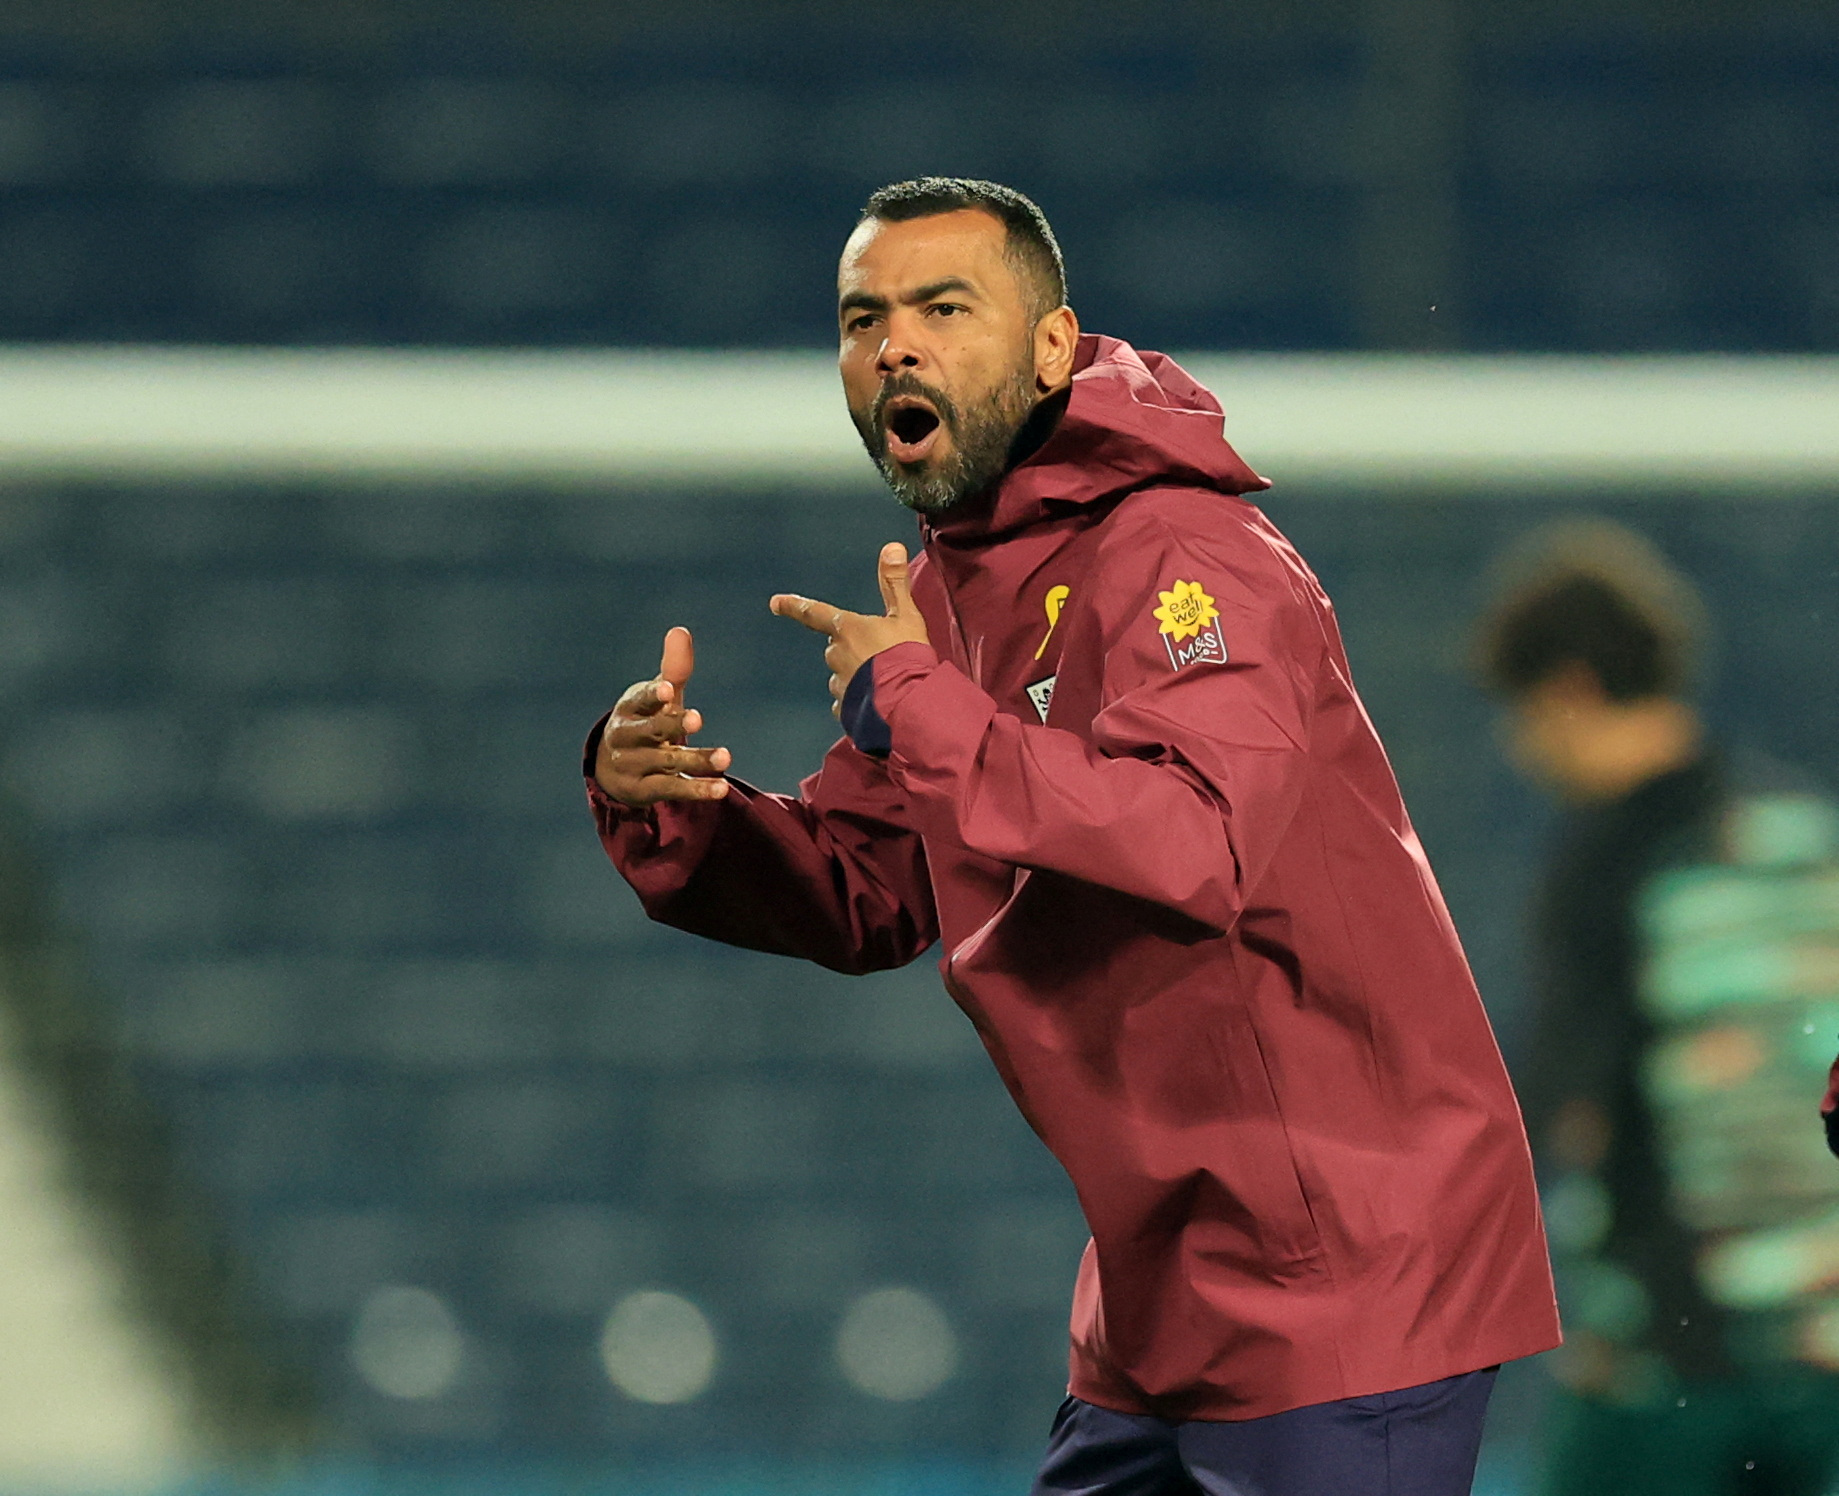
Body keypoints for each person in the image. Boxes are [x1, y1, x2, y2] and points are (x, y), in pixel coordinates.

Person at [585, 177, 1559, 1495]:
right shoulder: (949, 589)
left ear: (1052, 346)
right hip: (1162, 1288)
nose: (895, 347)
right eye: (862, 318)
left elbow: (1192, 838)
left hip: (1344, 1265)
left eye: (942, 307)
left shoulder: (1185, 554)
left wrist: (913, 699)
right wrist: (673, 810)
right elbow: (869, 888)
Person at [1474, 521, 1839, 1496]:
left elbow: (1569, 1113)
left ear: (1568, 691)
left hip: (1675, 1363)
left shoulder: (1601, 867)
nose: (1518, 746)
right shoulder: (1801, 832)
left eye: (1521, 713)